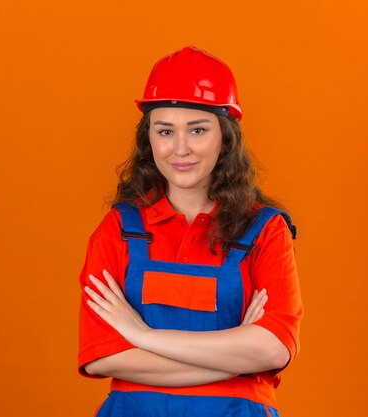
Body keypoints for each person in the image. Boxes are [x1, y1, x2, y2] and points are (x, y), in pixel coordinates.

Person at [78, 46, 303, 417]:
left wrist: (143, 338)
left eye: (197, 129)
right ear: (148, 139)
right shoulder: (117, 229)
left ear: (225, 137)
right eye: (165, 131)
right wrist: (234, 358)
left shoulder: (265, 230)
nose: (180, 148)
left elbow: (274, 349)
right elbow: (102, 356)